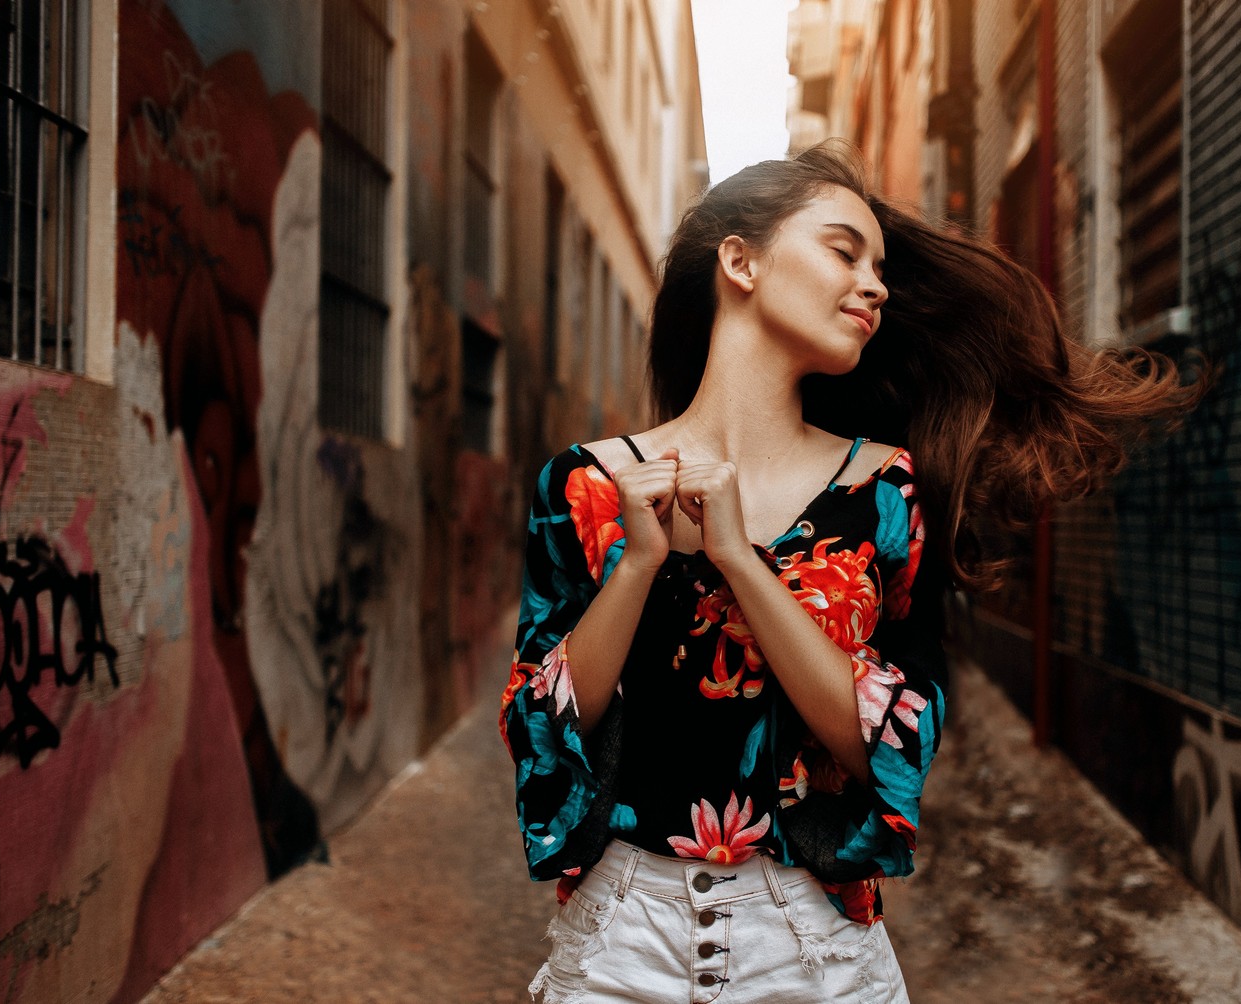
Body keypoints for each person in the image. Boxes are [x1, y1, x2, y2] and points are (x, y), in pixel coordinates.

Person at [500, 138, 1202, 1003]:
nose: (875, 284)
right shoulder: (586, 485)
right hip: (617, 949)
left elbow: (890, 751)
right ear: (740, 261)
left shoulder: (884, 488)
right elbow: (544, 727)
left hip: (812, 950)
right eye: (844, 251)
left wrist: (736, 558)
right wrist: (640, 562)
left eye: (880, 267)